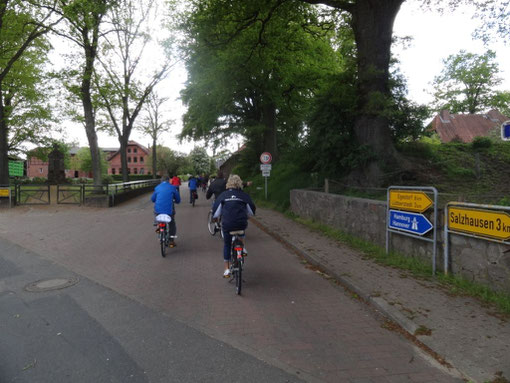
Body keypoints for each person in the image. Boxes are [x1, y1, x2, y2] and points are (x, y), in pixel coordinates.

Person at [212, 174, 256, 278]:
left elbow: (216, 212)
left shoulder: (223, 195)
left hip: (227, 225)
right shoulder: (244, 195)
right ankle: (243, 248)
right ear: (239, 183)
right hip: (241, 224)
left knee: (227, 244)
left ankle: (226, 269)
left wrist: (216, 217)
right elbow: (251, 211)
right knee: (241, 225)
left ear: (228, 184)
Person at [151, 176, 181, 247]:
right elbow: (178, 200)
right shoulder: (172, 187)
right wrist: (175, 200)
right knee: (172, 223)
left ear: (161, 181)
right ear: (169, 181)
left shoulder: (157, 187)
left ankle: (158, 224)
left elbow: (152, 199)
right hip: (169, 211)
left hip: (158, 210)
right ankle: (171, 241)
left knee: (156, 212)